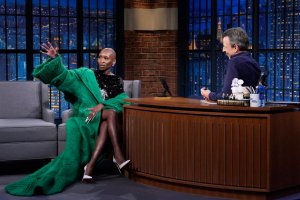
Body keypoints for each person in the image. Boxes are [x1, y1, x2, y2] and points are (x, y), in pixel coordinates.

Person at [5, 42, 130, 196]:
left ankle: (90, 167)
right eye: (100, 57)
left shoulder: (117, 80)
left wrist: (101, 105)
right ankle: (118, 155)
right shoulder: (86, 74)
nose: (102, 61)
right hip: (87, 116)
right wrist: (55, 58)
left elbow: (122, 100)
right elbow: (65, 76)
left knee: (107, 119)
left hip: (103, 117)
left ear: (114, 62)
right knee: (110, 114)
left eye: (106, 58)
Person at [201, 27, 261, 101]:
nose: (223, 50)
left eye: (225, 46)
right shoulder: (254, 63)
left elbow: (226, 95)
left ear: (235, 47)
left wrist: (209, 95)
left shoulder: (234, 62)